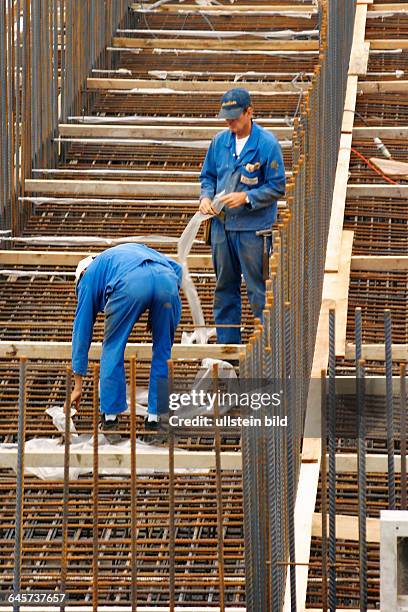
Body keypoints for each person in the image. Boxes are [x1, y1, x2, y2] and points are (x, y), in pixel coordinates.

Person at [199, 88, 286, 344]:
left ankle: (268, 348)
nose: (230, 123)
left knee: (258, 291)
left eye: (235, 117)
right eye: (227, 118)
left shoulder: (267, 145)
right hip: (221, 229)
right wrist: (205, 197)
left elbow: (277, 186)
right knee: (224, 289)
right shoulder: (219, 142)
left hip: (253, 231)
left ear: (250, 112)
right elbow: (208, 176)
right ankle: (229, 351)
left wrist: (247, 198)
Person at [69, 243, 182, 432]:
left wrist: (77, 385)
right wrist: (158, 309)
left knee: (113, 346)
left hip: (130, 284)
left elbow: (82, 332)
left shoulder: (87, 278)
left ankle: (110, 418)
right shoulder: (127, 252)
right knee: (163, 349)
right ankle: (156, 418)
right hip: (167, 281)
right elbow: (177, 268)